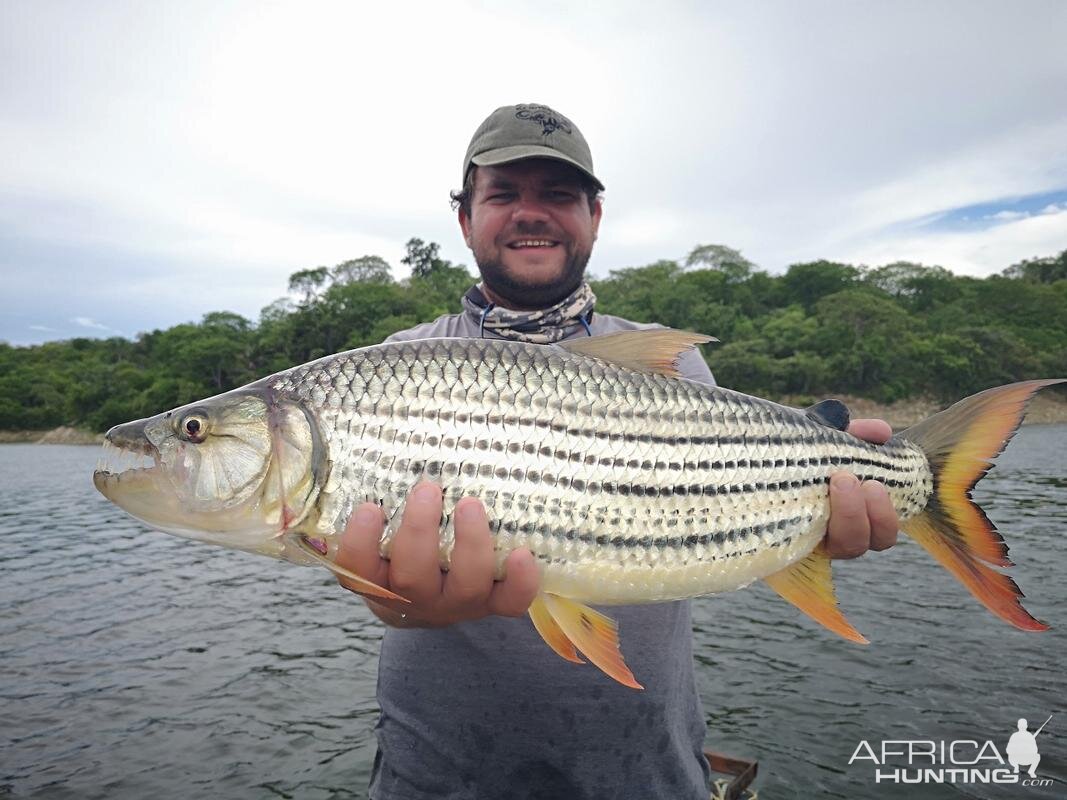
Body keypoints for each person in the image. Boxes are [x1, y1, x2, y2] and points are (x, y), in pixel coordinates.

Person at [335, 103, 900, 799]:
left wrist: (808, 517)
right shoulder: (392, 369)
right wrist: (396, 602)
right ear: (464, 218)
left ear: (594, 216)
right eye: (503, 193)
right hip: (440, 774)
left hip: (645, 769)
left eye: (557, 194)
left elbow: (732, 510)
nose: (529, 213)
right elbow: (381, 593)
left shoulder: (670, 362)